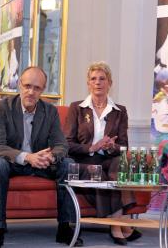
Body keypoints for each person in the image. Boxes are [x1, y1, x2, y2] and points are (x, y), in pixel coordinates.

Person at [0, 66, 83, 248]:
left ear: (42, 90)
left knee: (67, 163)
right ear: (19, 86)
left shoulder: (50, 111)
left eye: (36, 88)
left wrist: (51, 157)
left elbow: (61, 145)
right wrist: (27, 157)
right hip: (12, 162)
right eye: (27, 86)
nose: (31, 92)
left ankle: (65, 228)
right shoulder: (2, 108)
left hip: (42, 163)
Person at [64, 62, 142, 245]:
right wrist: (92, 147)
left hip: (109, 158)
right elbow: (66, 144)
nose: (98, 82)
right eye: (93, 79)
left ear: (110, 83)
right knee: (97, 171)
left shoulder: (120, 111)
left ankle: (119, 225)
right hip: (84, 160)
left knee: (118, 164)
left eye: (102, 79)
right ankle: (120, 227)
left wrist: (109, 147)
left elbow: (124, 147)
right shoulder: (77, 107)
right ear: (88, 83)